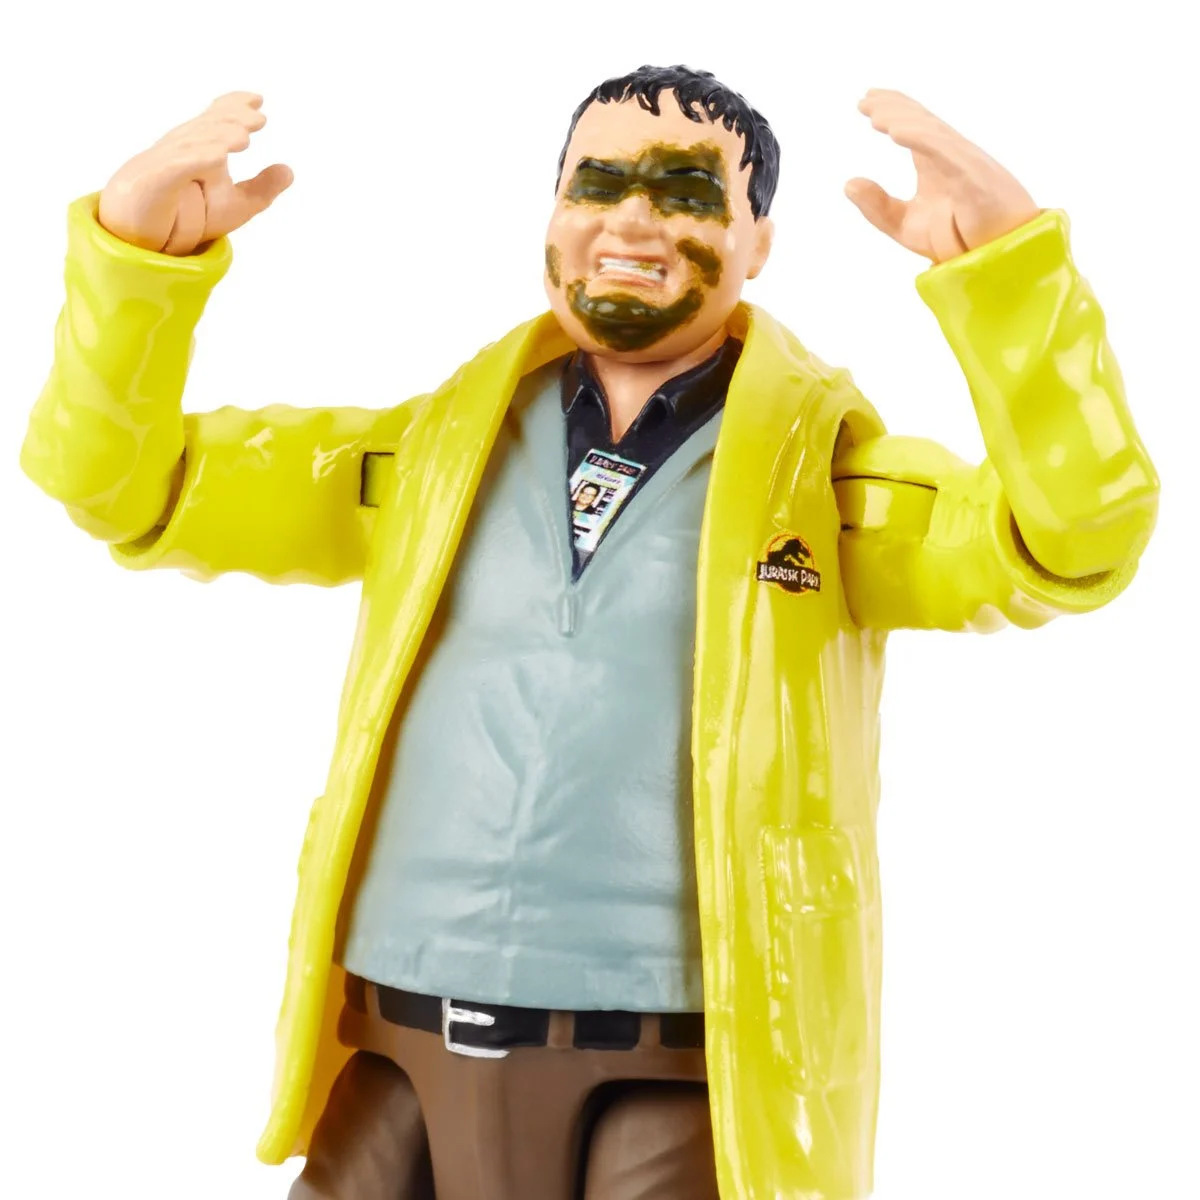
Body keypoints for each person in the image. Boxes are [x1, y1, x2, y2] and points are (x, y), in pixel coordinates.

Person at [19, 65, 1158, 1200]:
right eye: (597, 184)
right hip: (399, 1034)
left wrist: (1009, 280)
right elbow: (126, 484)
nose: (632, 221)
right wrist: (135, 266)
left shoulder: (822, 484)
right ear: (554, 213)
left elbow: (1068, 538)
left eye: (687, 194)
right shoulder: (427, 458)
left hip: (669, 1052)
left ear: (759, 241)